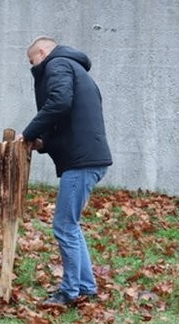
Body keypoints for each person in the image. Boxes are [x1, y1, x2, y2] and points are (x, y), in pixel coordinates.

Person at [17, 36, 112, 307]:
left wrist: (28, 134)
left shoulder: (57, 64)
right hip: (88, 158)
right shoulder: (76, 69)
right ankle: (85, 286)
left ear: (42, 52)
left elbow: (59, 102)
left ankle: (70, 292)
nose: (32, 66)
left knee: (64, 226)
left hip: (81, 162)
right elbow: (71, 121)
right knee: (71, 226)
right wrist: (44, 143)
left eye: (31, 60)